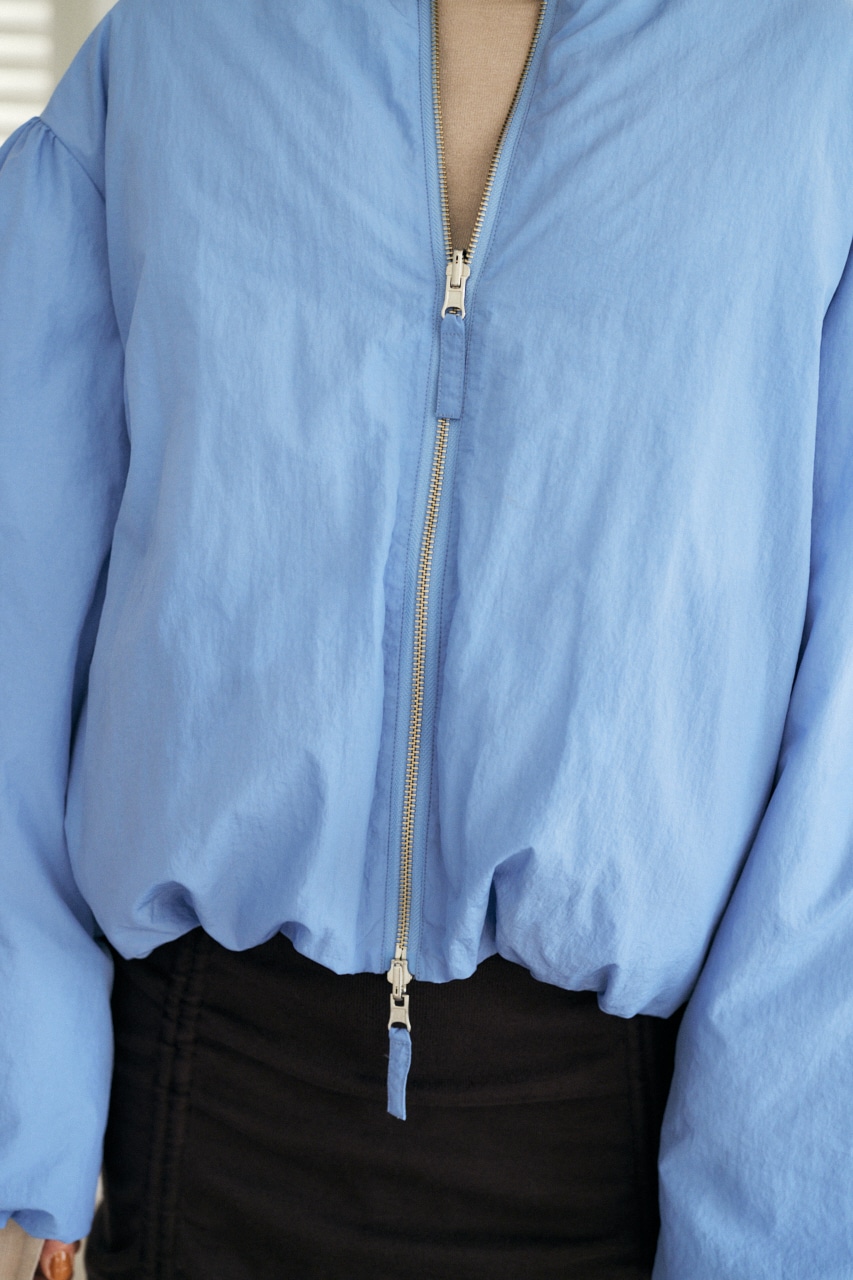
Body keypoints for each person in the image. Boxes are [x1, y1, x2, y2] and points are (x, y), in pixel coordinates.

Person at [1, 0, 852, 1275]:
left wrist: (765, 1233)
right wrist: (25, 1122)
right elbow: (18, 614)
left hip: (618, 1136)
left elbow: (840, 766)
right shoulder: (176, 45)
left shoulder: (807, 66)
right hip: (203, 1103)